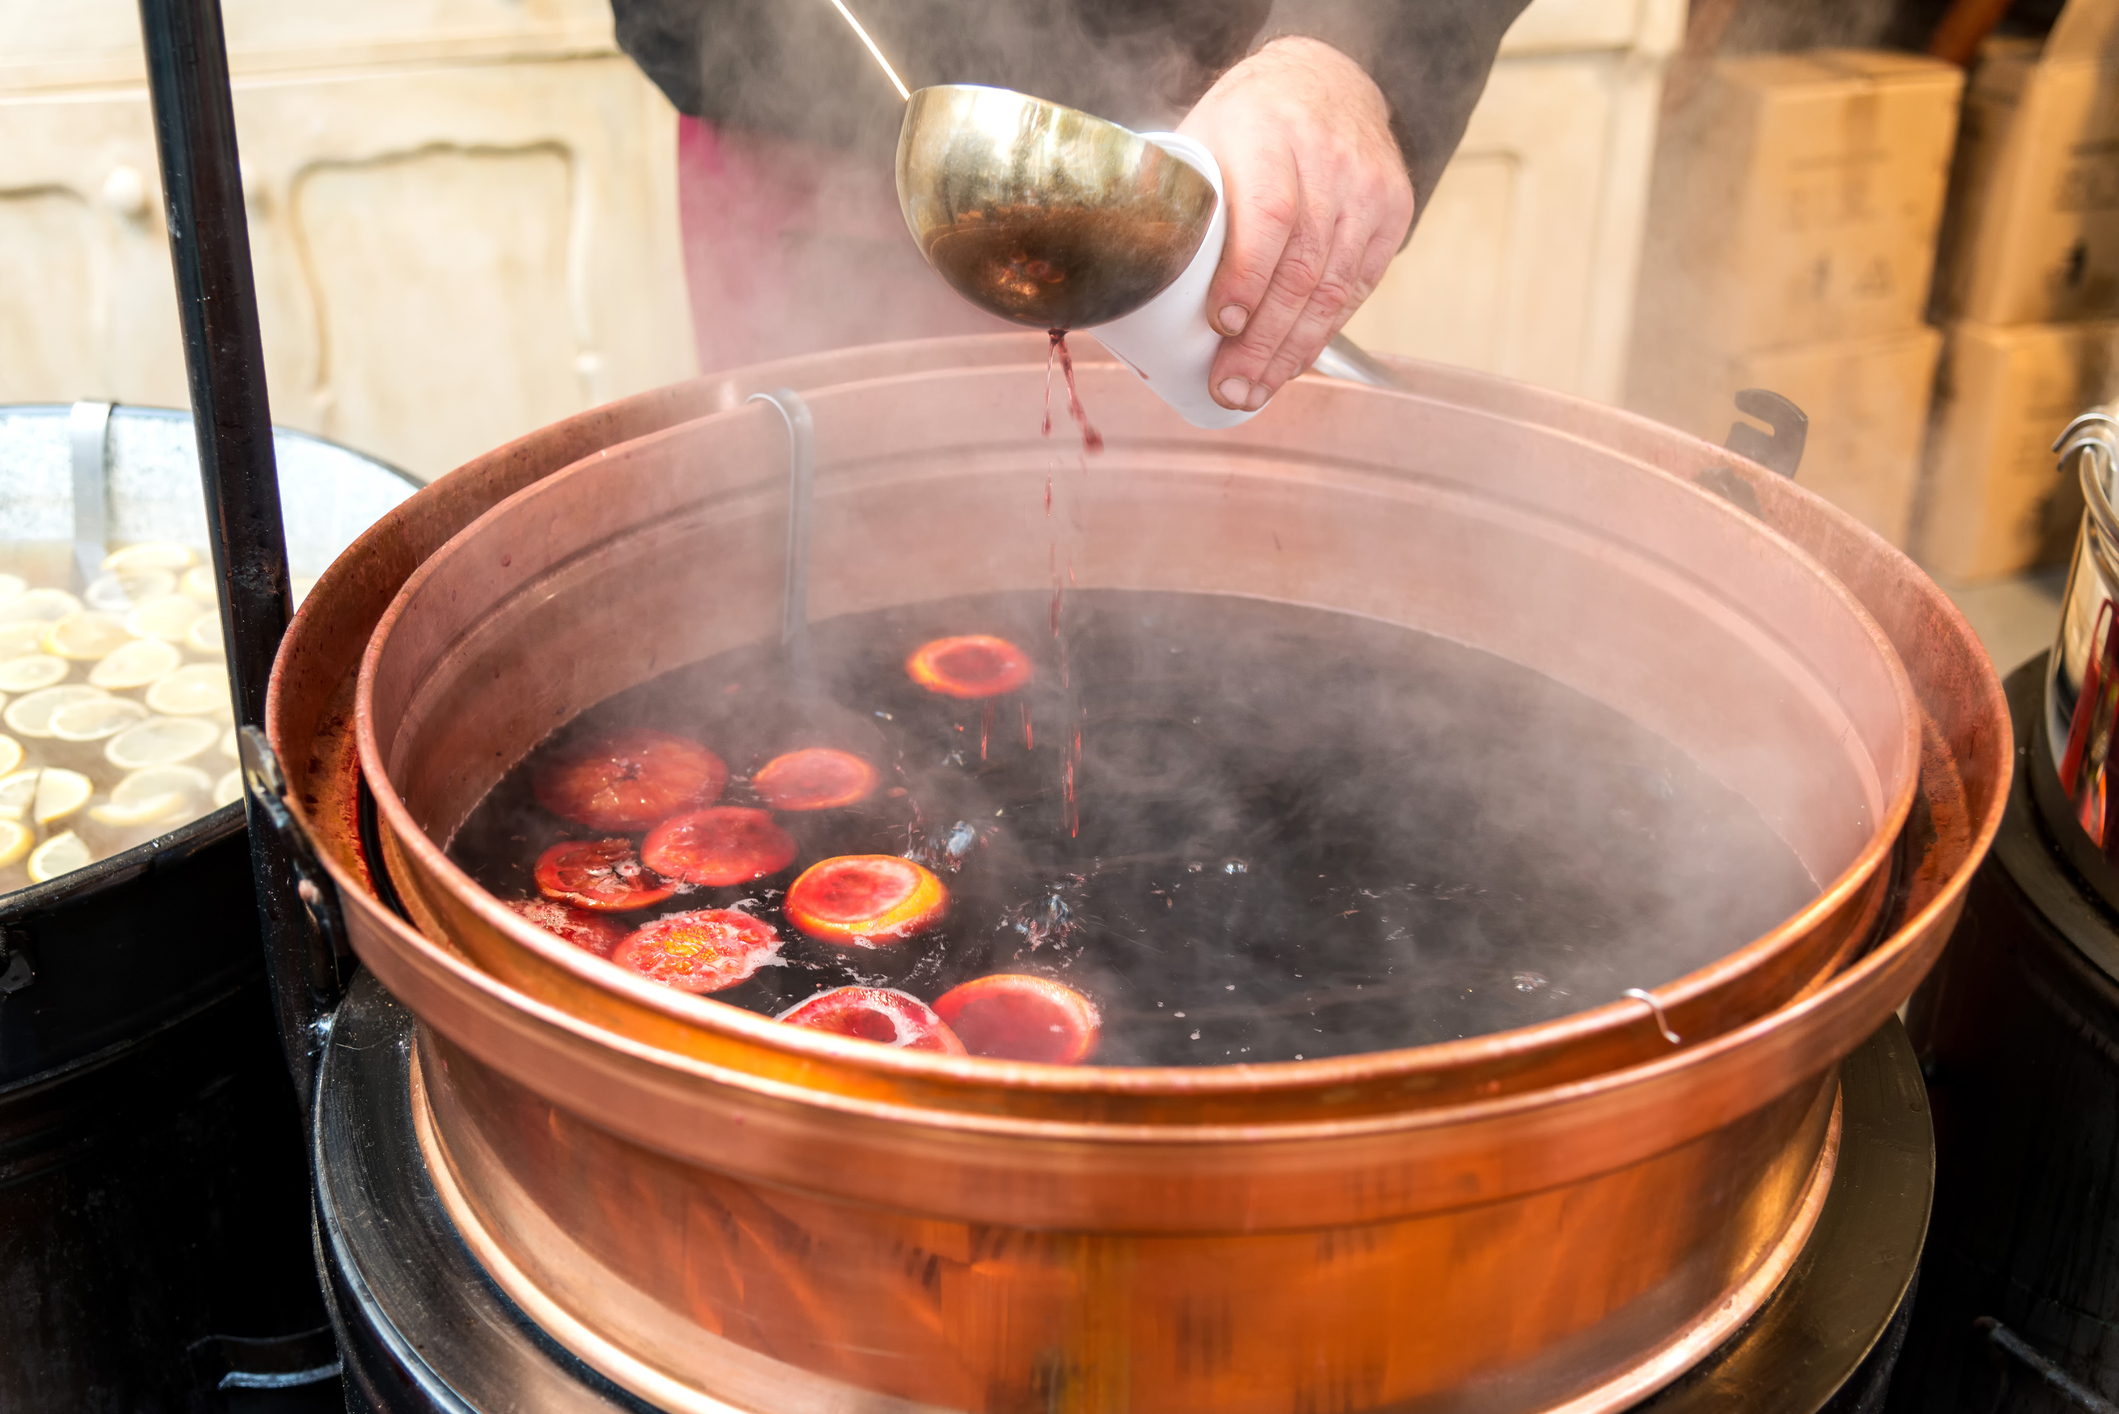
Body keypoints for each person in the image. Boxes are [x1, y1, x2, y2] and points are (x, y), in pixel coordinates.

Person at [613, 0, 1531, 412]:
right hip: (799, 149)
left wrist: (1344, 43)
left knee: (1223, 576)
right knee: (810, 545)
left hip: (1231, 151)